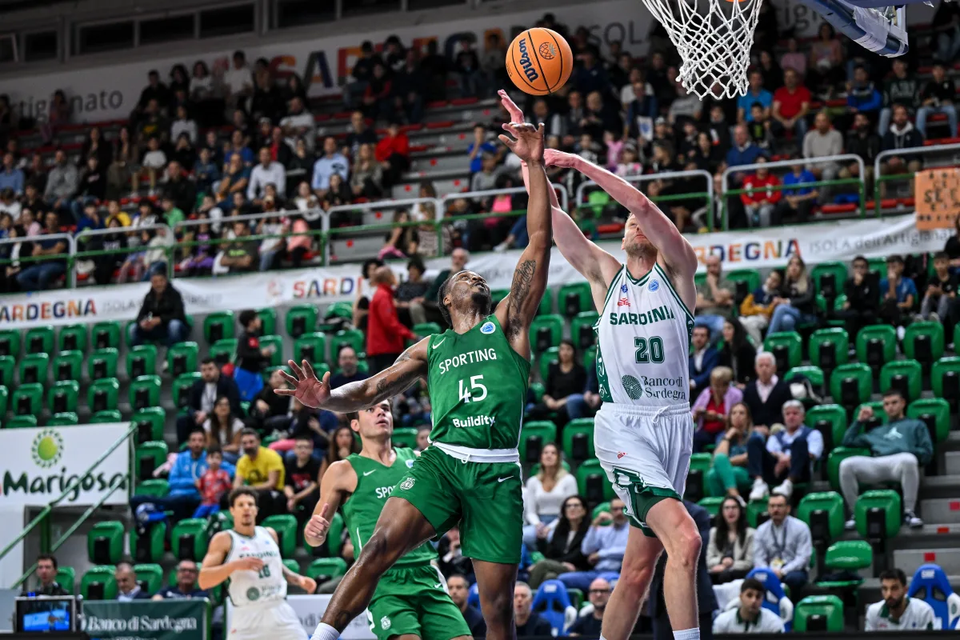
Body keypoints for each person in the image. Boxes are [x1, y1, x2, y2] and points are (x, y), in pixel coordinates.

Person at [283, 113, 553, 640]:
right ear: (445, 300)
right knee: (378, 547)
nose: (474, 274)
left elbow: (538, 241)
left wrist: (535, 163)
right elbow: (368, 390)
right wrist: (324, 399)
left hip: (496, 473)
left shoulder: (509, 324)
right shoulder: (432, 347)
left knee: (497, 614)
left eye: (478, 275)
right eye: (461, 276)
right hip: (443, 463)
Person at [502, 90, 702, 640]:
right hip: (623, 425)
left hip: (673, 425)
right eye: (626, 225)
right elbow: (552, 223)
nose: (632, 224)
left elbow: (641, 205)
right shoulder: (605, 278)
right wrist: (531, 160)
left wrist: (578, 163)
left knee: (638, 571)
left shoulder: (679, 271)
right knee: (684, 539)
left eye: (641, 223)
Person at [304, 400, 472, 640]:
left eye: (385, 408)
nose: (381, 412)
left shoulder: (417, 461)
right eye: (370, 409)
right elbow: (314, 539)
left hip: (426, 572)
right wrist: (315, 532)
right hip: (382, 578)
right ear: (355, 424)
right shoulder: (343, 470)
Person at [199, 488, 316, 640]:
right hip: (247, 615)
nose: (246, 508)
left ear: (256, 510)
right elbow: (203, 580)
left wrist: (296, 578)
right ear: (232, 510)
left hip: (279, 610)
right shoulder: (224, 539)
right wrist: (234, 566)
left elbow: (275, 564)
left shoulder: (269, 534)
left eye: (250, 504)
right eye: (241, 505)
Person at [839, 390, 933, 529]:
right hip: (877, 462)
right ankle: (856, 513)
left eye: (894, 402)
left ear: (902, 403)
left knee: (909, 460)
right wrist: (860, 421)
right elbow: (847, 441)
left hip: (900, 462)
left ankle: (909, 512)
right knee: (846, 464)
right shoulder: (877, 431)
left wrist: (904, 451)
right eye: (886, 404)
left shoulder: (916, 425)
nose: (890, 407)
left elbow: (927, 452)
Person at [649, 500, 717, 640]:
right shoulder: (649, 511)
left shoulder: (697, 513)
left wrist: (660, 549)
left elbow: (695, 552)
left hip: (696, 599)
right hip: (660, 603)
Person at [748, 400, 823, 501]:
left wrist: (788, 459)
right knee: (754, 440)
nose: (791, 417)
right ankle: (759, 482)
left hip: (800, 471)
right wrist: (780, 457)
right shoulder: (776, 436)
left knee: (800, 442)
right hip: (777, 470)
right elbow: (770, 452)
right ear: (784, 417)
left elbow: (812, 454)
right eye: (788, 414)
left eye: (795, 413)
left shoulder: (813, 434)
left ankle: (789, 483)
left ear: (803, 416)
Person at [557, 498, 629, 590]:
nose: (619, 512)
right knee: (562, 579)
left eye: (622, 509)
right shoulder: (604, 531)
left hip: (617, 573)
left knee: (608, 582)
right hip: (597, 572)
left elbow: (626, 550)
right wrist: (594, 525)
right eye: (615, 509)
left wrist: (600, 554)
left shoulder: (633, 530)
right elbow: (586, 550)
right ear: (611, 511)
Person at [753, 493, 812, 593]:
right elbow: (758, 558)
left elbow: (803, 558)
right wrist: (769, 572)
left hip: (793, 570)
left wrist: (783, 571)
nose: (775, 510)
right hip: (769, 570)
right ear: (768, 509)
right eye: (772, 506)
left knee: (793, 579)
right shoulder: (761, 530)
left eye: (779, 506)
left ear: (788, 508)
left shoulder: (801, 527)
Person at [528, 495, 591, 588]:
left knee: (542, 564)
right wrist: (541, 540)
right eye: (568, 506)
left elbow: (581, 555)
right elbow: (550, 553)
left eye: (576, 505)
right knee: (550, 577)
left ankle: (529, 598)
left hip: (578, 568)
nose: (572, 508)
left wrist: (557, 563)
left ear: (584, 510)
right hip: (560, 566)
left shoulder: (589, 530)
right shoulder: (560, 530)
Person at [522, 443, 579, 547]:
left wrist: (550, 527)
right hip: (539, 522)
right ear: (541, 457)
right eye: (546, 453)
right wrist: (537, 525)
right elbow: (531, 512)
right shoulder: (532, 481)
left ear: (558, 458)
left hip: (561, 522)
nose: (549, 455)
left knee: (553, 537)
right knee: (521, 536)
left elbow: (571, 509)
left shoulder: (569, 480)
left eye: (553, 453)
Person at [176, 357, 243, 445]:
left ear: (217, 370)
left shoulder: (228, 384)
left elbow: (234, 405)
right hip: (201, 419)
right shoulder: (197, 385)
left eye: (210, 369)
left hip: (221, 418)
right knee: (182, 422)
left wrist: (208, 415)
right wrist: (196, 414)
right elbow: (190, 406)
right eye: (204, 370)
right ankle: (184, 450)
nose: (207, 373)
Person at [366, 265, 416, 374]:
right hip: (385, 348)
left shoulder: (381, 294)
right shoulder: (383, 296)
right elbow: (390, 323)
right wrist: (410, 335)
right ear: (388, 277)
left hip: (381, 348)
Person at [234, 429, 286, 519]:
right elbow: (237, 483)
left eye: (251, 442)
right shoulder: (242, 461)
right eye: (245, 443)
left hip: (274, 492)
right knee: (226, 496)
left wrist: (249, 488)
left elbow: (272, 483)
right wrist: (238, 490)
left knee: (262, 496)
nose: (248, 446)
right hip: (253, 492)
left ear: (258, 442)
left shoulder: (271, 456)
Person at [129, 271, 189, 349]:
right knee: (133, 328)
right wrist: (143, 323)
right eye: (155, 282)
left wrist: (160, 319)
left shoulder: (174, 294)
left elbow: (179, 314)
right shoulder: (149, 296)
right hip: (157, 328)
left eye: (161, 281)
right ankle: (139, 355)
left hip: (175, 327)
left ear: (165, 281)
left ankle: (171, 354)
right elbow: (141, 315)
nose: (158, 284)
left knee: (174, 325)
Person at [707, 403, 754, 499]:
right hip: (728, 471)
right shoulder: (722, 436)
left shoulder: (754, 435)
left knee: (722, 471)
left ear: (748, 418)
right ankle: (732, 499)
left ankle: (732, 499)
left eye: (741, 413)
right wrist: (728, 437)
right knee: (712, 475)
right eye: (734, 413)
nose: (737, 416)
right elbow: (715, 460)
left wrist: (725, 463)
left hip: (747, 473)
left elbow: (750, 457)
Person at [864, 568, 936, 631]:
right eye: (885, 589)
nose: (889, 594)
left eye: (894, 588)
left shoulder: (923, 611)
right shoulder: (873, 612)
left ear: (905, 590)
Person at [692, 367, 743, 453]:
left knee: (722, 440)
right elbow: (691, 414)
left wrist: (718, 417)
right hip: (706, 430)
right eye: (714, 385)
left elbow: (738, 420)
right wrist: (698, 413)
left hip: (725, 430)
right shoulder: (706, 393)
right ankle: (695, 465)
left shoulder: (736, 395)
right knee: (692, 438)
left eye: (720, 385)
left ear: (727, 385)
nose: (716, 389)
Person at [706, 497, 755, 584]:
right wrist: (721, 560)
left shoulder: (750, 533)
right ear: (722, 512)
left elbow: (749, 563)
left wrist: (730, 564)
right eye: (727, 508)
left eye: (734, 507)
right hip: (718, 571)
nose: (731, 511)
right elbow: (709, 561)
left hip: (739, 572)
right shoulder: (714, 532)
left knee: (726, 575)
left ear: (740, 510)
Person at [712, 578, 785, 633]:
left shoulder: (773, 623)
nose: (754, 600)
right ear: (741, 597)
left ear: (762, 599)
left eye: (758, 596)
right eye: (749, 595)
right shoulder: (722, 621)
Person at [743, 353, 793, 431]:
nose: (764, 369)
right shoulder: (749, 389)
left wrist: (769, 428)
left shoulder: (784, 388)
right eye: (761, 366)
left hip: (779, 430)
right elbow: (746, 412)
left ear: (774, 368)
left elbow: (787, 411)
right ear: (756, 368)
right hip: (754, 431)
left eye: (767, 365)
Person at [767, 256, 816, 334]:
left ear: (801, 268)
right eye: (791, 264)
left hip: (806, 314)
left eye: (797, 264)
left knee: (781, 308)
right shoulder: (786, 283)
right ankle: (795, 344)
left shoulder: (808, 281)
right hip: (791, 313)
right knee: (786, 320)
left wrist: (787, 301)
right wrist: (777, 300)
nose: (794, 267)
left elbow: (808, 299)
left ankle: (768, 340)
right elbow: (778, 296)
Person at [284, 436, 320, 530]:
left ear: (311, 450)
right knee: (280, 499)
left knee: (310, 500)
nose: (303, 450)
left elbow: (314, 484)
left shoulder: (316, 463)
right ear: (294, 449)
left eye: (306, 447)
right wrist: (291, 496)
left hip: (310, 493)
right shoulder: (290, 462)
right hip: (295, 493)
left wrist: (296, 498)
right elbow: (287, 484)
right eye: (299, 447)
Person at [738, 271, 782, 346]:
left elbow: (768, 312)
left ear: (778, 284)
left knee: (751, 323)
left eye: (775, 280)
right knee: (738, 322)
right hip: (749, 316)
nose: (771, 281)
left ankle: (758, 346)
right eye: (770, 278)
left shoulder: (776, 296)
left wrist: (754, 307)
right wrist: (758, 309)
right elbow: (743, 309)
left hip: (763, 319)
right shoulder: (756, 292)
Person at [695, 256, 734, 339]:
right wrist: (721, 303)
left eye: (714, 265)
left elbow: (718, 299)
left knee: (721, 328)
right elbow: (698, 304)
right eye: (709, 266)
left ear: (720, 267)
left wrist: (712, 284)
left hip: (719, 317)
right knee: (684, 327)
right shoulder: (703, 285)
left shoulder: (728, 283)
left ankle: (710, 350)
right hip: (702, 317)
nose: (712, 269)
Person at [194, 446, 233, 518]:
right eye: (211, 457)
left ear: (221, 460)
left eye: (217, 458)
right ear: (206, 459)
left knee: (213, 518)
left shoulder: (224, 474)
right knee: (195, 517)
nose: (214, 460)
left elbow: (229, 488)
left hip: (217, 503)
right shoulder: (204, 474)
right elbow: (201, 488)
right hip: (205, 503)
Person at [919, 251, 957, 323]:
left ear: (948, 263)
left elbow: (953, 296)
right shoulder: (932, 279)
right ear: (933, 265)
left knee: (944, 297)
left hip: (948, 306)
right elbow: (926, 293)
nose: (940, 266)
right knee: (927, 296)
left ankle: (939, 319)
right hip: (934, 305)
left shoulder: (953, 278)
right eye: (937, 263)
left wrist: (940, 292)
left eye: (942, 262)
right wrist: (930, 292)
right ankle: (922, 318)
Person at [719, 319, 757, 386]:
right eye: (724, 329)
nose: (725, 331)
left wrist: (746, 385)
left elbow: (754, 372)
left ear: (737, 330)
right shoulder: (725, 349)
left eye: (729, 328)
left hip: (748, 385)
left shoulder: (746, 348)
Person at [690, 326, 719, 394]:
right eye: (696, 335)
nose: (698, 338)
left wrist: (693, 383)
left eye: (702, 335)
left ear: (708, 339)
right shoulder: (690, 355)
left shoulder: (714, 354)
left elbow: (709, 374)